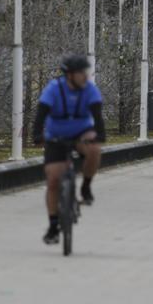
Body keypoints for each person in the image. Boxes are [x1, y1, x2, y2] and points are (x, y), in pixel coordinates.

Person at [32, 54, 106, 246]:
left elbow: (97, 116)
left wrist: (100, 135)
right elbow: (41, 114)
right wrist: (37, 136)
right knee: (53, 179)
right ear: (70, 75)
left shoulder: (90, 90)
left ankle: (86, 186)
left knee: (95, 149)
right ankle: (53, 225)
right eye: (81, 73)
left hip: (82, 133)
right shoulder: (54, 89)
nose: (85, 77)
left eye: (86, 72)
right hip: (56, 136)